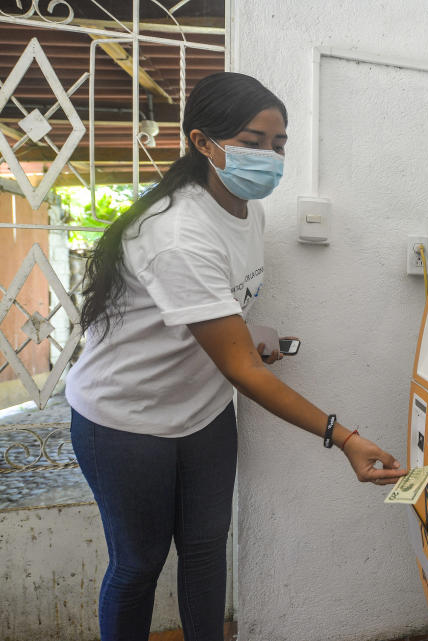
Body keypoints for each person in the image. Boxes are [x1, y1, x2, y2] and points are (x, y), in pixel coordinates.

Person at [65, 72, 407, 641]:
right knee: (139, 563)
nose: (269, 157)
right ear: (203, 143)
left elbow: (215, 312)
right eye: (252, 143)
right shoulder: (176, 232)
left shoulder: (248, 213)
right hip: (122, 421)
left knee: (204, 552)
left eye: (278, 145)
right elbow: (241, 369)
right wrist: (343, 437)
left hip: (201, 416)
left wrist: (250, 328)